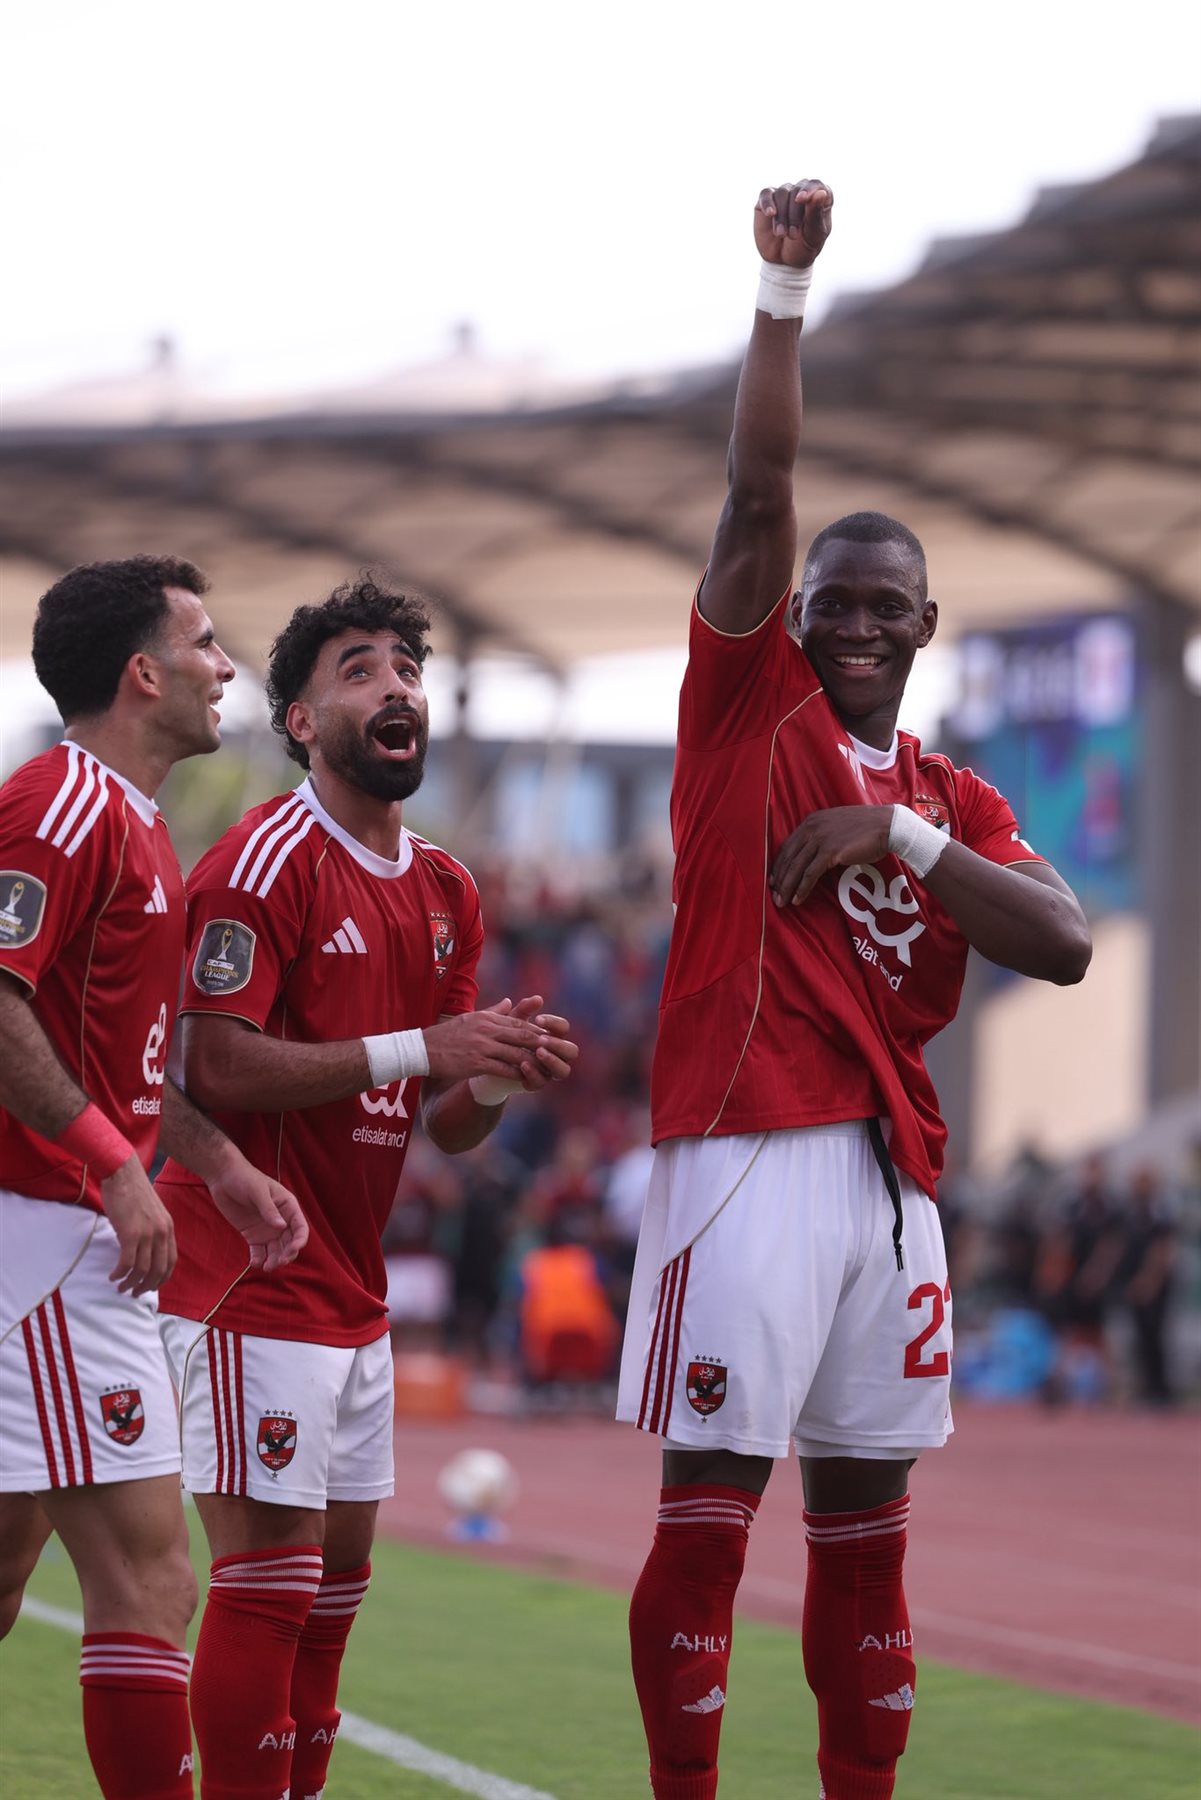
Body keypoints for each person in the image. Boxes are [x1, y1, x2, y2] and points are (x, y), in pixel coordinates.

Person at [615, 182, 1093, 1800]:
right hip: (748, 1147)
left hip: (896, 1183)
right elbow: (758, 491)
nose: (861, 628)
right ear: (795, 618)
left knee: (869, 1538)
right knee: (709, 1514)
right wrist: (780, 290)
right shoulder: (747, 708)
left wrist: (896, 833)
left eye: (890, 609)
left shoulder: (952, 798)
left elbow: (1062, 941)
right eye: (836, 606)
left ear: (927, 626)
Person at [153, 577, 577, 1800]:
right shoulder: (260, 861)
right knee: (269, 1585)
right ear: (300, 721)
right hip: (245, 1266)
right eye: (359, 670)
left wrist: (493, 1075)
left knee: (335, 1597)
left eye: (407, 667)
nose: (396, 686)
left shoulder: (448, 890)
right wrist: (424, 1047)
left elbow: (444, 1124)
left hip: (352, 1285)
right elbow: (214, 1062)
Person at [0, 556, 307, 1800]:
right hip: (49, 1237)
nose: (225, 667)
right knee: (151, 1581)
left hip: (62, 1222)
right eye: (206, 643)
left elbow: (100, 1056)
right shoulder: (62, 805)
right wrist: (116, 1171)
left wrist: (212, 1161)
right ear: (143, 673)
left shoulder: (126, 818)